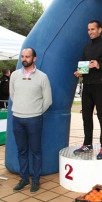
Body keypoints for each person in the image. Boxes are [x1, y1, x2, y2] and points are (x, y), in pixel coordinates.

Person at [73, 20, 102, 159]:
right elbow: (84, 65)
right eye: (88, 30)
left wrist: (99, 65)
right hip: (87, 86)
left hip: (99, 86)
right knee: (86, 116)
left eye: (93, 29)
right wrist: (81, 72)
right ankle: (87, 145)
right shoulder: (87, 47)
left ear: (100, 29)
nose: (90, 32)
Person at [10, 48, 52, 192]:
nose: (24, 59)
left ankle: (35, 180)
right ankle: (23, 179)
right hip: (17, 119)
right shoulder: (14, 75)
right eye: (22, 56)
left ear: (34, 59)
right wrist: (21, 109)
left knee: (35, 151)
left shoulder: (42, 77)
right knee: (21, 150)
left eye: (27, 56)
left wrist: (35, 112)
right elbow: (12, 95)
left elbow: (48, 100)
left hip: (34, 119)